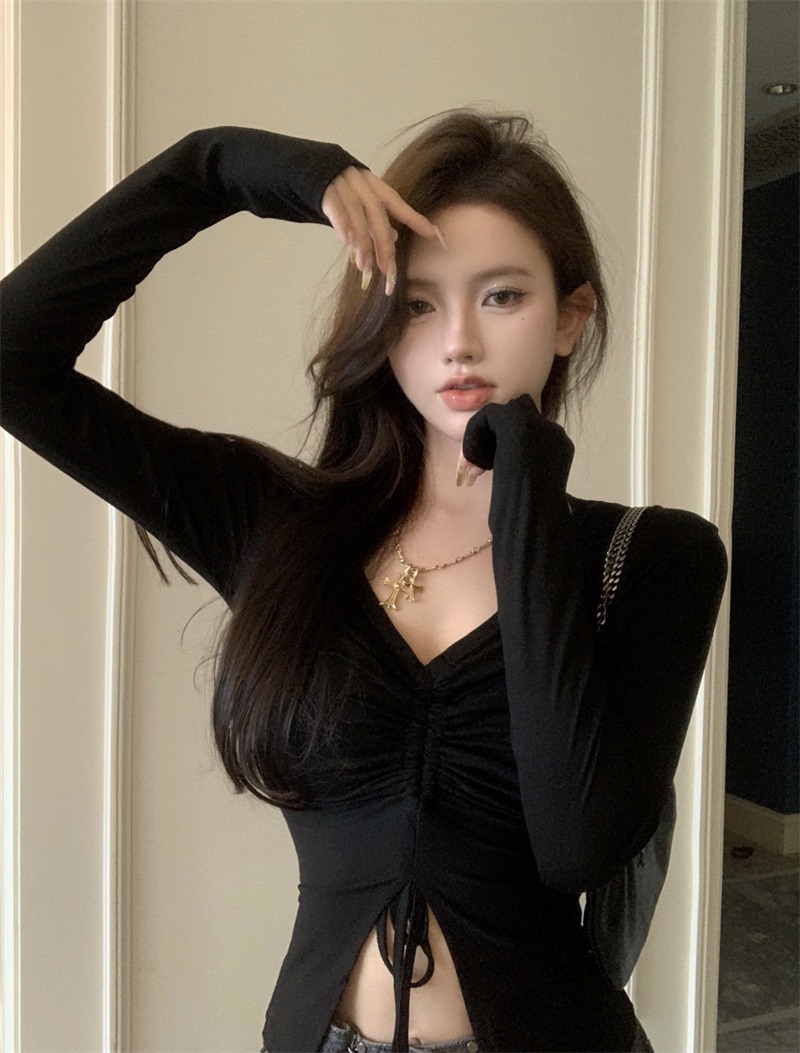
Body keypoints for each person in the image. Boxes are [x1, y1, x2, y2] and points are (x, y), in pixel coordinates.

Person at [0, 109, 728, 1053]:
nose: (458, 340)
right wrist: (232, 166)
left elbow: (575, 843)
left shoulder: (657, 558)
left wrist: (525, 484)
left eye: (502, 295)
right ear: (380, 321)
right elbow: (13, 358)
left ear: (569, 316)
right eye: (417, 303)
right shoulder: (280, 525)